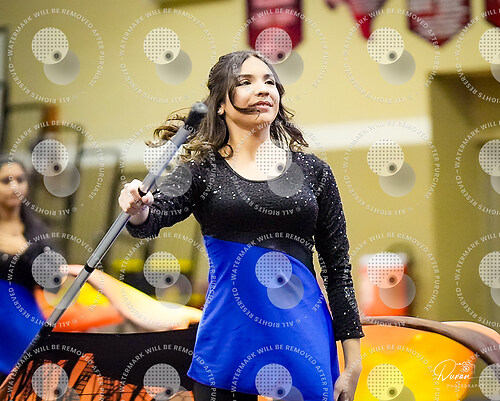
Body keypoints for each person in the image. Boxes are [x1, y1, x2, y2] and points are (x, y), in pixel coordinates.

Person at [119, 50, 364, 401]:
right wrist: (136, 207)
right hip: (228, 343)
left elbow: (338, 268)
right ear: (220, 104)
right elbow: (151, 218)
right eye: (246, 82)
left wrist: (353, 363)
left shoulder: (314, 172)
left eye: (269, 82)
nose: (263, 89)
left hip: (302, 338)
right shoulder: (201, 171)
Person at [0, 154, 53, 379]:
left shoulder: (36, 230)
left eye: (20, 180)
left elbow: (54, 281)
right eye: (6, 181)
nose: (15, 187)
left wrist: (24, 251)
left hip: (23, 320)